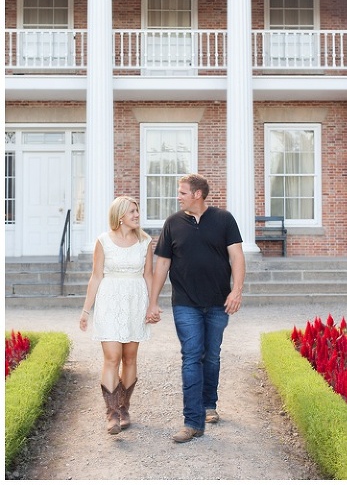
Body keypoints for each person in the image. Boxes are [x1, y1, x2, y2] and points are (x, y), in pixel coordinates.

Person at [146, 173, 245, 443]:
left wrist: (236, 291)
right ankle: (192, 421)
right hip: (185, 303)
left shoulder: (224, 219)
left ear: (197, 194)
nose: (178, 196)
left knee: (211, 355)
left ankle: (208, 404)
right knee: (191, 356)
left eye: (182, 192)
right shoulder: (172, 223)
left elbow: (236, 256)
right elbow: (162, 265)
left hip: (218, 302)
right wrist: (152, 301)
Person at [80, 196, 155, 435]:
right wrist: (85, 310)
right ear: (120, 215)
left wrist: (152, 305)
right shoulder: (103, 241)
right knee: (112, 356)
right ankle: (111, 413)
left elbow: (149, 276)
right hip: (109, 300)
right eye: (132, 211)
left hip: (136, 300)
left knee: (130, 357)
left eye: (137, 211)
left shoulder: (145, 241)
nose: (136, 215)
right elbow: (96, 276)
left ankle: (124, 408)